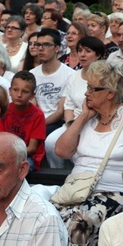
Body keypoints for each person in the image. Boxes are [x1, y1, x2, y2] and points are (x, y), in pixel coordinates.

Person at [54, 61, 123, 246]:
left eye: (92, 88)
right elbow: (61, 151)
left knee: (79, 223)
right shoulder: (87, 117)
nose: (86, 93)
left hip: (114, 192)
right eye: (86, 87)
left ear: (110, 93)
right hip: (77, 190)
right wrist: (83, 117)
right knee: (49, 218)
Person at [46, 36, 107, 169]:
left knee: (80, 148)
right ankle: (57, 172)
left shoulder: (104, 79)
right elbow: (69, 105)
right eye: (80, 51)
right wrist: (70, 125)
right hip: (73, 122)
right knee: (50, 142)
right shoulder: (74, 76)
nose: (82, 55)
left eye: (87, 51)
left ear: (98, 55)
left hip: (93, 123)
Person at [0, 71, 46, 171]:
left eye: (25, 91)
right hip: (6, 153)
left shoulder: (38, 115)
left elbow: (32, 148)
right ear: (10, 91)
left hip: (28, 157)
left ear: (32, 95)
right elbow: (0, 138)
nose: (19, 95)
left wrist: (10, 156)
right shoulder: (5, 110)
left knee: (13, 169)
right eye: (15, 90)